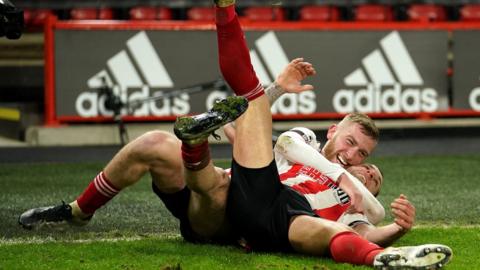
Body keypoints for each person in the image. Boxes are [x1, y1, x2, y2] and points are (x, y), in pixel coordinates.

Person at [172, 0, 452, 268]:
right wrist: (344, 178)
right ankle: (225, 8)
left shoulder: (356, 208)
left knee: (329, 232)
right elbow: (277, 138)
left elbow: (369, 226)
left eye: (371, 173)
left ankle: (381, 258)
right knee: (247, 97)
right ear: (333, 131)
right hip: (266, 190)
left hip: (290, 214)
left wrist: (396, 228)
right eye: (353, 146)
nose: (364, 168)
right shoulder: (308, 145)